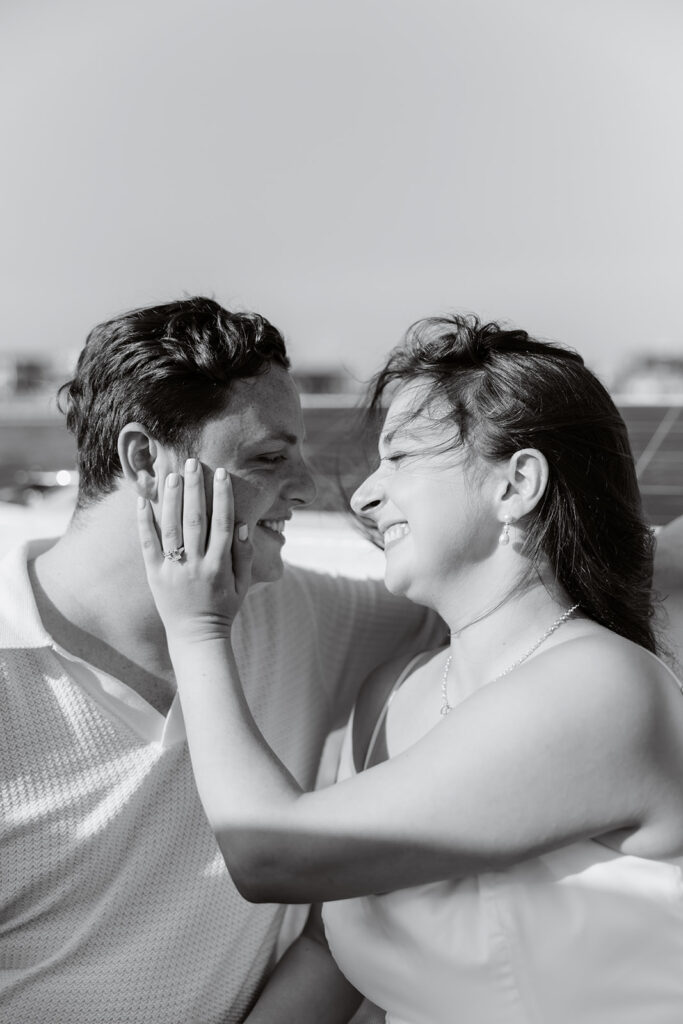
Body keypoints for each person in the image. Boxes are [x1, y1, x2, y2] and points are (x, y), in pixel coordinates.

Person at [137, 314, 683, 1024]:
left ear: (515, 483)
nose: (362, 496)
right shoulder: (390, 695)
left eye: (397, 457)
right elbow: (329, 953)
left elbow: (273, 854)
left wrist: (198, 628)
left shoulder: (604, 688)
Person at [0, 297, 445, 1024]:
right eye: (269, 458)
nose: (305, 486)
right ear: (146, 459)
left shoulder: (300, 613)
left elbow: (510, 589)